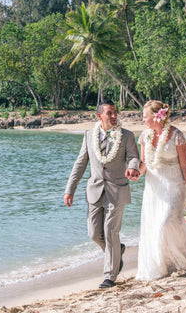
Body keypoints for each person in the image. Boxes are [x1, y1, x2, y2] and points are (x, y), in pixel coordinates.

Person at [64, 100, 140, 288]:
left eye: (115, 113)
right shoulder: (89, 135)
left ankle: (109, 276)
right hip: (94, 191)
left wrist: (132, 168)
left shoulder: (127, 136)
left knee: (110, 231)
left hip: (117, 190)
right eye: (109, 113)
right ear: (99, 116)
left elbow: (133, 157)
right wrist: (69, 190)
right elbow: (80, 164)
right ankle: (116, 252)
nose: (114, 116)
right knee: (93, 234)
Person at [135, 100, 186, 281]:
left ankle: (182, 262)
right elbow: (144, 164)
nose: (143, 120)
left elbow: (185, 166)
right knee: (155, 226)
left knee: (166, 223)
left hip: (174, 185)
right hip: (154, 188)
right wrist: (135, 174)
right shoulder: (144, 136)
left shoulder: (177, 135)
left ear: (157, 116)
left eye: (145, 116)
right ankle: (163, 266)